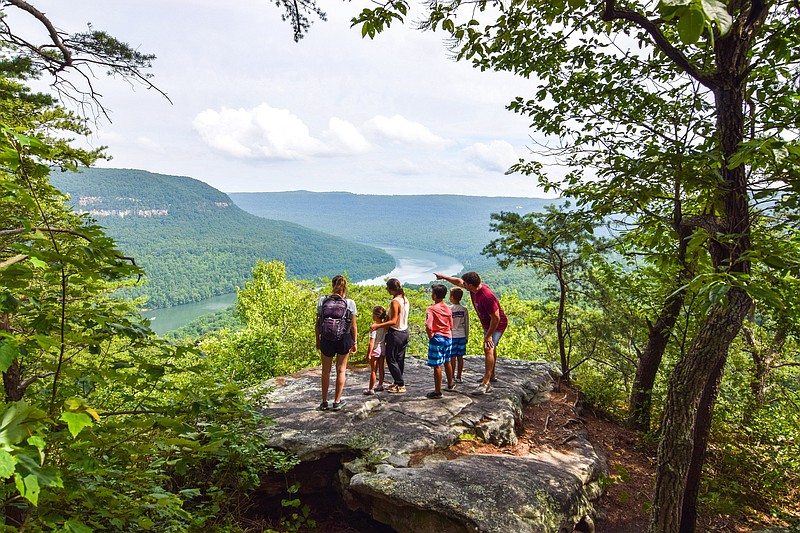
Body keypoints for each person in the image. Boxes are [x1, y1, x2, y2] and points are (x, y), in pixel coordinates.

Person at [434, 271, 507, 395]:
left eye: (465, 284)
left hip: (497, 325)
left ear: (471, 285)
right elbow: (458, 281)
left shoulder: (487, 296)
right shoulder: (474, 289)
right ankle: (492, 375)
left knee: (488, 348)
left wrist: (488, 335)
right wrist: (444, 277)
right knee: (492, 348)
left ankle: (486, 382)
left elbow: (496, 318)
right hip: (488, 324)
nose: (463, 285)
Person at [315, 274, 357, 411]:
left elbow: (318, 323)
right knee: (341, 370)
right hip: (344, 339)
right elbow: (354, 326)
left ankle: (324, 402)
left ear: (333, 286)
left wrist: (318, 340)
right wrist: (354, 342)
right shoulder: (350, 303)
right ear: (345, 287)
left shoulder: (322, 300)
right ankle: (337, 401)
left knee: (325, 371)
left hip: (326, 339)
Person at [370, 278, 409, 393]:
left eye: (388, 288)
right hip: (404, 332)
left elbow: (393, 321)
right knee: (399, 359)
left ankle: (400, 384)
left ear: (392, 289)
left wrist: (378, 326)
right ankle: (397, 382)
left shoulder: (395, 302)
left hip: (396, 333)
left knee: (391, 359)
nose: (387, 290)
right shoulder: (405, 299)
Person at [425, 284, 453, 399]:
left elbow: (428, 325)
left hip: (437, 338)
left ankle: (437, 391)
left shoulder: (431, 309)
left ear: (435, 296)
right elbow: (451, 324)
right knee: (447, 361)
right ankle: (450, 384)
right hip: (448, 337)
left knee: (437, 365)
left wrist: (431, 336)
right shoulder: (448, 308)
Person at [364, 305, 388, 395]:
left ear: (376, 316)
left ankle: (371, 389)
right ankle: (380, 385)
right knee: (381, 368)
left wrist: (368, 354)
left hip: (375, 349)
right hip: (382, 348)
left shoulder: (374, 328)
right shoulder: (384, 327)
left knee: (373, 370)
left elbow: (371, 342)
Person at [449, 287, 469, 384]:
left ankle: (451, 376)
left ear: (452, 297)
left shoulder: (449, 309)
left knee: (452, 356)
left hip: (452, 335)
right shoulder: (464, 310)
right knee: (460, 357)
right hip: (462, 335)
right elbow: (466, 324)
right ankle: (459, 376)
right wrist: (466, 336)